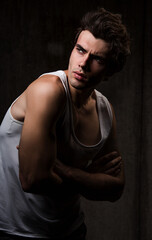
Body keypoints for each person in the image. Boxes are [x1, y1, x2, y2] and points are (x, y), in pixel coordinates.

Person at [0, 7, 130, 240]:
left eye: (97, 59)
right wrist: (88, 177)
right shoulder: (47, 90)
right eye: (80, 50)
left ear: (110, 70)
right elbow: (32, 179)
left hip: (71, 231)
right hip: (17, 233)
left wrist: (65, 170)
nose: (83, 63)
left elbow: (115, 188)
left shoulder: (104, 110)